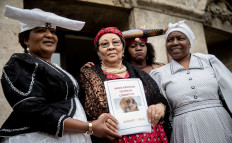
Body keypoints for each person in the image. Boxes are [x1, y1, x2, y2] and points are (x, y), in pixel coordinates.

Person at [0, 5, 121, 143]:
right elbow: (34, 111)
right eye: (41, 30)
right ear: (26, 39)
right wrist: (90, 127)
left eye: (53, 31)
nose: (49, 35)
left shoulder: (56, 68)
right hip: (39, 137)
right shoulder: (20, 63)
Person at [78, 27, 171, 143]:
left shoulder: (140, 74)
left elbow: (161, 100)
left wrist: (160, 107)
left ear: (122, 49)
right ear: (98, 51)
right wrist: (92, 125)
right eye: (105, 44)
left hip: (151, 137)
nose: (111, 47)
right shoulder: (88, 76)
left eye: (116, 42)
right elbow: (79, 116)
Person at [150, 20, 232, 143]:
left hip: (219, 123)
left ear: (190, 42)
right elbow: (160, 105)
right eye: (170, 40)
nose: (175, 43)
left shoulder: (209, 61)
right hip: (183, 128)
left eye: (180, 38)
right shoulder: (159, 74)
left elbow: (230, 88)